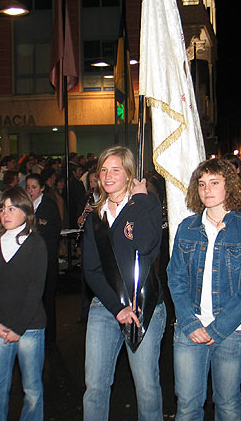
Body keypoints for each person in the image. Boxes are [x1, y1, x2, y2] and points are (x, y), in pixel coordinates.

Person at [167, 158, 241, 420]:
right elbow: (175, 277)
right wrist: (189, 322)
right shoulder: (186, 229)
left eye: (214, 183)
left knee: (227, 403)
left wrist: (218, 328)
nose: (207, 190)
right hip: (190, 329)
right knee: (187, 406)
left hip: (233, 331)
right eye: (202, 184)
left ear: (229, 187)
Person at [82, 146, 165, 421]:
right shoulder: (96, 215)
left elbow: (146, 245)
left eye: (115, 169)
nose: (107, 175)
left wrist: (140, 201)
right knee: (95, 386)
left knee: (146, 386)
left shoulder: (147, 204)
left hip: (143, 306)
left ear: (129, 173)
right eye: (103, 169)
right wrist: (117, 308)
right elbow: (91, 270)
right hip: (106, 306)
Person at [0, 186, 47, 421]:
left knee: (31, 389)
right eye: (2, 209)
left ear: (26, 211)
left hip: (29, 328)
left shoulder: (36, 244)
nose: (5, 213)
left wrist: (18, 328)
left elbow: (35, 290)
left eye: (12, 208)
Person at [25, 174, 61, 343]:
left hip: (46, 259)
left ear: (41, 188)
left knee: (47, 298)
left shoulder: (49, 206)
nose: (30, 191)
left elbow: (54, 233)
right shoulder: (23, 206)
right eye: (28, 187)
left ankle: (50, 336)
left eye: (33, 187)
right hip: (28, 260)